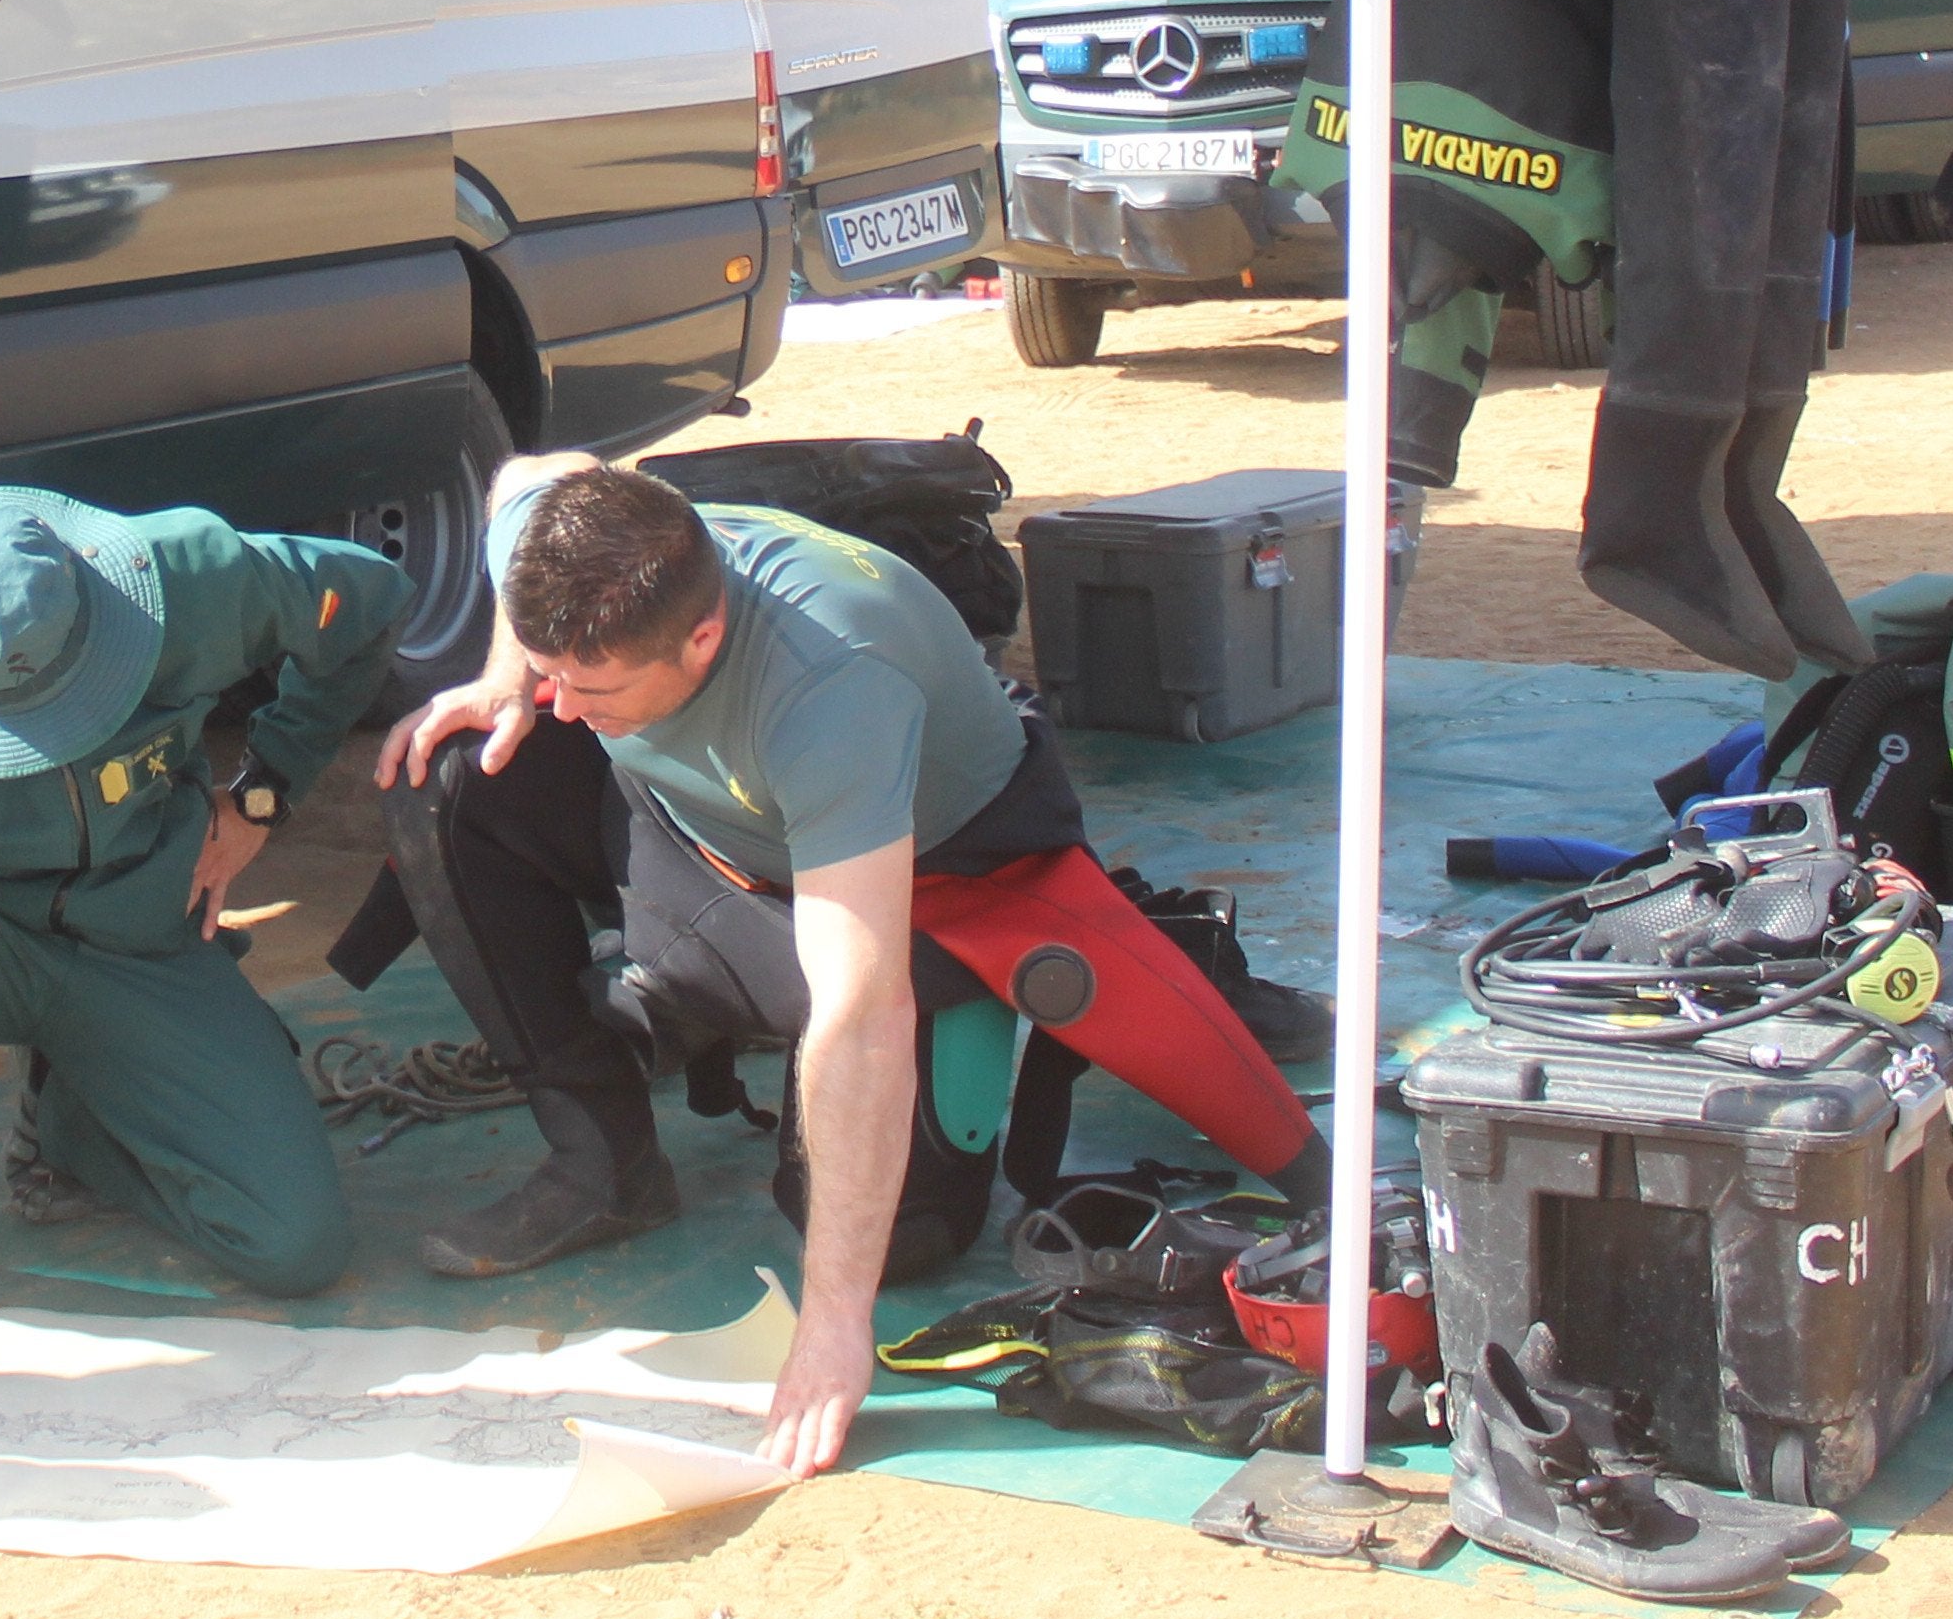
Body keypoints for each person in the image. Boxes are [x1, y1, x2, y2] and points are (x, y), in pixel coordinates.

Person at [376, 454, 1323, 1475]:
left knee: (901, 1231)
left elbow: (859, 1020)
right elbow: (530, 468)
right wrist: (505, 677)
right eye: (554, 672)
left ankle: (975, 996)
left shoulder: (833, 688)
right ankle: (602, 1162)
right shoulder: (573, 543)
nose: (563, 704)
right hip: (709, 839)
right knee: (451, 772)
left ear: (702, 639)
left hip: (926, 880)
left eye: (588, 685)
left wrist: (834, 1322)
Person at [0, 484, 402, 1386]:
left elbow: (365, 603)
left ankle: (73, 1119)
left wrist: (263, 792)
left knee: (295, 1243)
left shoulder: (195, 576)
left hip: (132, 933)